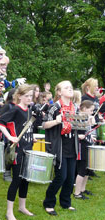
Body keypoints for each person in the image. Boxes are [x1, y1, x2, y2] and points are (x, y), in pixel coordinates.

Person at [0, 84, 35, 220]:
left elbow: (25, 128)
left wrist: (32, 137)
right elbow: (0, 122)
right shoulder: (16, 110)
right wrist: (10, 137)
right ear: (19, 96)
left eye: (31, 96)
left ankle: (22, 207)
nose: (29, 98)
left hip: (29, 148)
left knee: (25, 180)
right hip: (18, 150)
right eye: (26, 96)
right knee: (17, 180)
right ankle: (9, 212)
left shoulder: (29, 110)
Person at [43, 80, 78, 216]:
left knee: (70, 178)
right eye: (66, 87)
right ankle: (49, 202)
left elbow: (79, 124)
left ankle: (65, 202)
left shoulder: (75, 107)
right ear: (59, 92)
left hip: (72, 145)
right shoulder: (54, 107)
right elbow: (44, 124)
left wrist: (87, 122)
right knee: (61, 177)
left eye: (71, 87)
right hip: (59, 146)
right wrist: (56, 121)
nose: (70, 89)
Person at [74, 100, 95, 199]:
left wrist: (90, 137)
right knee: (81, 169)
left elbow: (87, 131)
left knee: (87, 169)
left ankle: (82, 189)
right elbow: (77, 131)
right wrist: (87, 123)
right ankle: (77, 192)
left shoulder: (86, 118)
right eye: (91, 110)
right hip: (80, 146)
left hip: (87, 144)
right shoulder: (77, 117)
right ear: (84, 109)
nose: (92, 113)